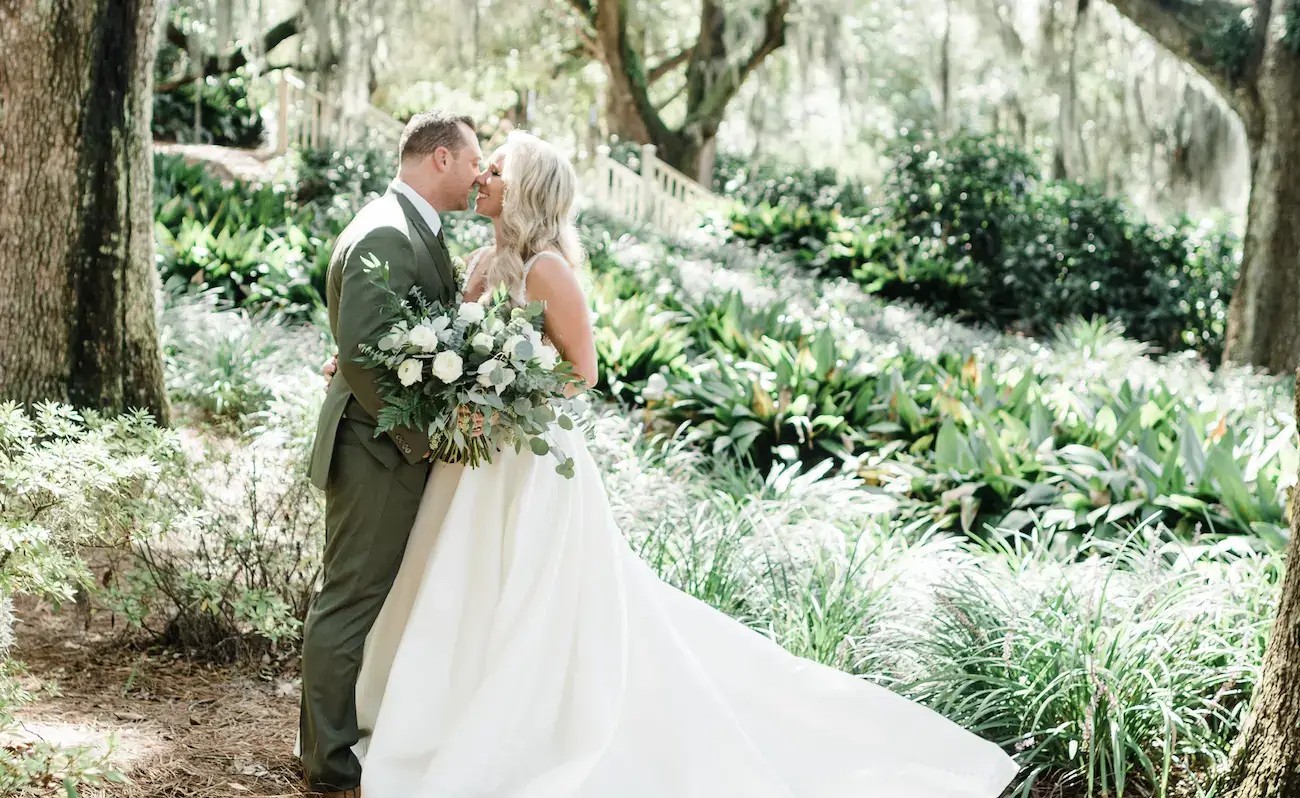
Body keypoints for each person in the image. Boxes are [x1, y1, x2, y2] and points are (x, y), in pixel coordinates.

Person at [316, 129, 1019, 797]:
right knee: (459, 586)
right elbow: (431, 339)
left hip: (530, 456)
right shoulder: (478, 265)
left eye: (497, 168)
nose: (483, 176)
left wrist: (510, 394)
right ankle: (438, 715)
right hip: (472, 458)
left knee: (531, 595)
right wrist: (366, 368)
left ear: (524, 187)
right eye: (484, 164)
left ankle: (519, 728)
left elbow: (583, 372)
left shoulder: (548, 270)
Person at [299, 109, 483, 798]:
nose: (478, 176)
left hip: (387, 447)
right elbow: (368, 358)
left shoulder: (406, 227)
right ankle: (328, 763)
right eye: (473, 162)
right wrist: (425, 441)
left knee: (361, 601)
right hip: (376, 451)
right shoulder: (385, 228)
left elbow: (374, 339)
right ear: (440, 158)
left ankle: (341, 740)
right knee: (348, 603)